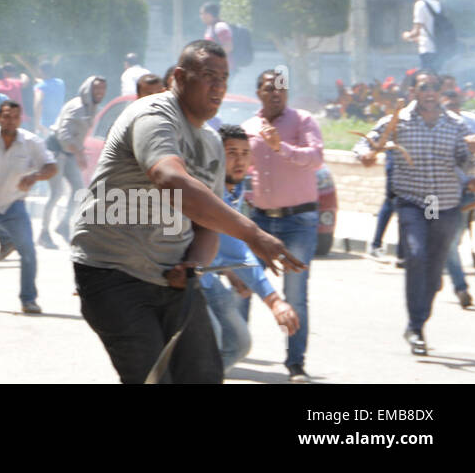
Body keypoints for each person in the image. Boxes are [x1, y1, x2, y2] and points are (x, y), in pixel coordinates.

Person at [72, 40, 303, 384]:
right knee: (153, 379)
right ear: (180, 76)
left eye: (224, 78)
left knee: (204, 376)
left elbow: (206, 224)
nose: (219, 86)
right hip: (111, 272)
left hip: (172, 279)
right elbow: (170, 178)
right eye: (208, 76)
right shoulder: (153, 115)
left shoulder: (211, 143)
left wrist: (193, 264)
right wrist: (252, 233)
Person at [355, 70, 475, 355]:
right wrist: (365, 153)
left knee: (434, 270)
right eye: (423, 87)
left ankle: (420, 312)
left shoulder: (455, 125)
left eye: (434, 87)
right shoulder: (397, 122)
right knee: (415, 255)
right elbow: (366, 142)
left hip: (443, 204)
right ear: (413, 90)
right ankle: (415, 327)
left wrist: (474, 158)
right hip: (413, 201)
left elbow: (466, 163)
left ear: (440, 92)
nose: (429, 92)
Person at [240, 68, 324, 381]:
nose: (276, 92)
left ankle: (295, 363)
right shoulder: (249, 127)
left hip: (298, 221)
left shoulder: (302, 121)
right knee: (243, 284)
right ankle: (233, 350)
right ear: (259, 93)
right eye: (268, 88)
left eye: (281, 88)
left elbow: (316, 158)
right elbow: (240, 167)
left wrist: (281, 148)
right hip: (259, 220)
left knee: (295, 293)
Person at [202, 125, 300, 372]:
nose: (239, 160)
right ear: (216, 155)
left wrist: (232, 271)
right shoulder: (210, 189)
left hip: (206, 277)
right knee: (207, 340)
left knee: (238, 343)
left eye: (245, 153)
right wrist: (274, 300)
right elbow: (235, 247)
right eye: (232, 152)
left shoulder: (237, 188)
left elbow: (226, 243)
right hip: (184, 280)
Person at [0, 100, 57, 313]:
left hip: (13, 204)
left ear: (20, 119)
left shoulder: (31, 142)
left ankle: (29, 299)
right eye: (6, 116)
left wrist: (35, 176)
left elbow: (51, 166)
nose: (10, 121)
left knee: (28, 251)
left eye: (15, 117)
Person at [40, 75, 106, 248]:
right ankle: (43, 233)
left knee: (79, 189)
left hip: (68, 153)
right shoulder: (77, 107)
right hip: (56, 150)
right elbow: (64, 134)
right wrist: (79, 153)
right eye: (96, 88)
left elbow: (78, 134)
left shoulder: (91, 107)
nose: (100, 92)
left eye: (102, 89)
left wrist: (78, 151)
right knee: (56, 193)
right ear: (88, 89)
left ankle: (63, 224)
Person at [442, 87, 475, 307]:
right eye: (449, 107)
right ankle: (451, 282)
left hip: (462, 196)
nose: (454, 111)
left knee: (451, 241)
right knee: (433, 234)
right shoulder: (432, 130)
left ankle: (459, 287)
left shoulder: (471, 124)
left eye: (456, 106)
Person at [402, 0, 442, 72]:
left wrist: (407, 35)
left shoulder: (420, 4)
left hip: (427, 50)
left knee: (427, 76)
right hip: (438, 48)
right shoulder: (436, 3)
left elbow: (416, 32)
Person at [33, 61, 66, 141]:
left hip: (45, 125)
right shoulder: (60, 83)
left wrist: (37, 124)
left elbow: (38, 103)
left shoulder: (40, 87)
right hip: (59, 121)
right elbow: (49, 85)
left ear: (40, 71)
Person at [200, 3, 234, 72]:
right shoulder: (211, 27)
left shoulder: (220, 26)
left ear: (209, 14)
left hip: (223, 69)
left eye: (202, 13)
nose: (201, 16)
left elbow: (228, 47)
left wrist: (212, 57)